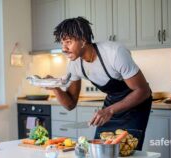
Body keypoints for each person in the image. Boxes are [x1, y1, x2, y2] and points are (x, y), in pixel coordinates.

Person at [49, 16, 152, 150]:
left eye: (68, 42)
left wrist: (110, 110)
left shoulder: (114, 53)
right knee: (100, 149)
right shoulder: (74, 64)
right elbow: (70, 104)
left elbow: (143, 91)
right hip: (111, 104)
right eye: (62, 43)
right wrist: (55, 88)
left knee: (125, 149)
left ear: (83, 40)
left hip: (136, 105)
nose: (64, 48)